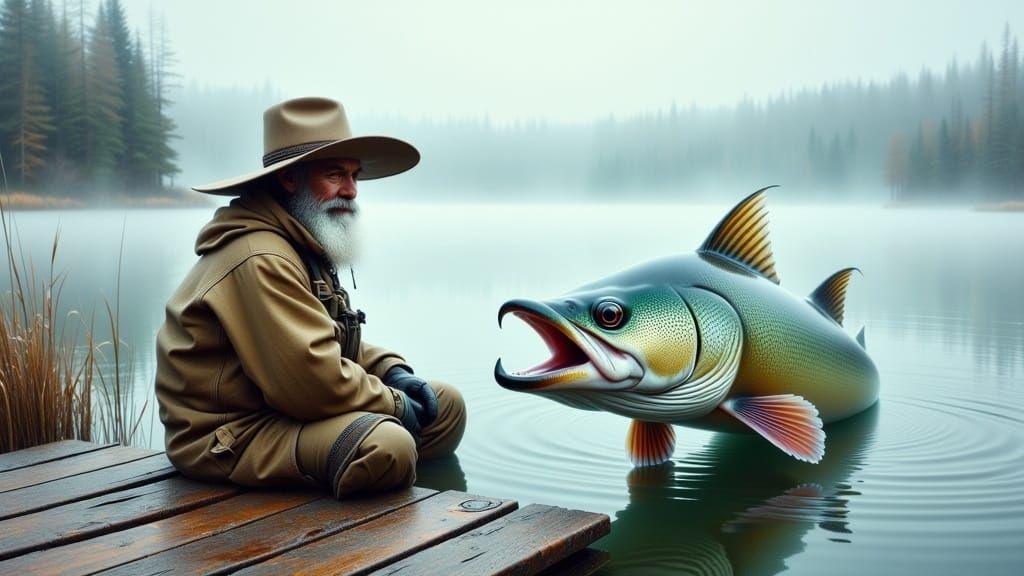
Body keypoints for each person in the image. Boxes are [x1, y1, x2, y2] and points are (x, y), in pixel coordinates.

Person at [155, 97, 466, 498]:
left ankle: (366, 475)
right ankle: (334, 522)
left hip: (286, 411)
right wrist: (393, 403)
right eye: (335, 175)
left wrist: (393, 372)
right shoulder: (261, 256)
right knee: (386, 447)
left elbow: (329, 339)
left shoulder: (300, 241)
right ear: (289, 180)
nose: (351, 191)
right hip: (231, 436)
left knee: (446, 408)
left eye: (355, 175)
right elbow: (312, 383)